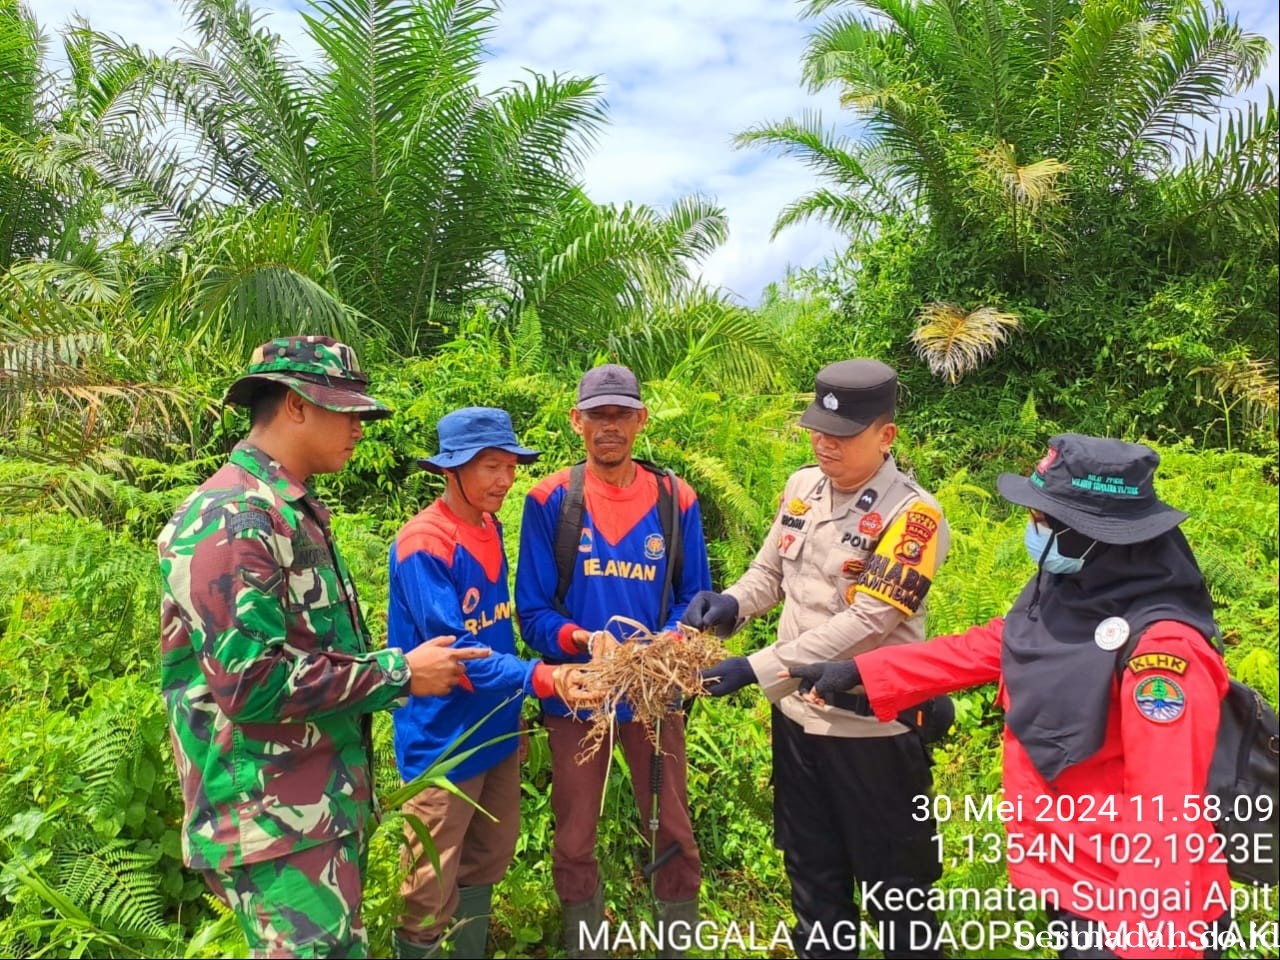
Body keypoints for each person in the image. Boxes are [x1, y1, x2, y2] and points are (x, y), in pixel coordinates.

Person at [789, 434, 1233, 960]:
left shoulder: (1163, 656)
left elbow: (1167, 815)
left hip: (1136, 915)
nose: (1033, 529)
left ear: (1097, 536)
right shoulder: (1072, 595)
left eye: (1045, 521)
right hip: (1079, 882)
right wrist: (859, 672)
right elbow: (995, 644)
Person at [158, 336, 492, 958]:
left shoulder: (290, 511)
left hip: (310, 811)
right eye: (347, 410)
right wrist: (400, 673)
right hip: (273, 822)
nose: (360, 426)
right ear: (295, 405)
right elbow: (250, 683)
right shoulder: (234, 518)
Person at [687, 358, 948, 959]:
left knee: (900, 898)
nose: (825, 443)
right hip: (800, 723)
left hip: (872, 733)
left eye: (843, 434)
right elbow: (771, 571)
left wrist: (754, 666)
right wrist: (733, 603)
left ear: (886, 436)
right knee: (814, 884)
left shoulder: (915, 517)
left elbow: (867, 622)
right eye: (817, 429)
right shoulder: (803, 487)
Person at [515, 363, 713, 958]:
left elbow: (696, 599)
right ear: (577, 421)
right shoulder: (550, 499)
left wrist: (665, 645)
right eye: (598, 415)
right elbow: (532, 612)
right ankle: (588, 945)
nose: (610, 426)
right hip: (578, 694)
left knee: (674, 823)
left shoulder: (676, 499)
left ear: (640, 420)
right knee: (575, 832)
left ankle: (677, 940)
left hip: (654, 692)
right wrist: (582, 640)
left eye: (621, 414)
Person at [389, 407, 593, 959]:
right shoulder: (424, 544)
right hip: (443, 742)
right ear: (450, 470)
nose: (506, 480)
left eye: (511, 466)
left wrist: (516, 712)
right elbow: (457, 656)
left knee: (488, 857)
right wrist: (542, 677)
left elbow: (496, 629)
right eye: (491, 466)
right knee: (429, 883)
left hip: (495, 731)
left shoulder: (487, 525)